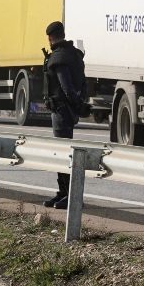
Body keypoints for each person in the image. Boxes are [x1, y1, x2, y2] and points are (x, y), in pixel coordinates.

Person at [40, 21, 87, 209]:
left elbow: (66, 87)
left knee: (63, 154)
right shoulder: (73, 54)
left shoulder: (59, 57)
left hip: (61, 110)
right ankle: (63, 193)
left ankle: (69, 194)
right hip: (67, 109)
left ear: (50, 37)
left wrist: (75, 104)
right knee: (64, 152)